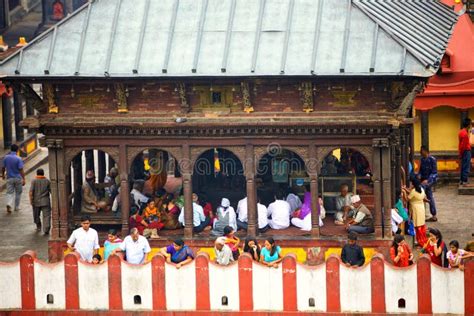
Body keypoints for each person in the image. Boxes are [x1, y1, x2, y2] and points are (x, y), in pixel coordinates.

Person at [403, 177, 427, 247]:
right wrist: (405, 189)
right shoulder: (421, 189)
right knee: (421, 224)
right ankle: (423, 240)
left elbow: (407, 198)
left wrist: (404, 191)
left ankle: (419, 240)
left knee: (417, 225)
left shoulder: (413, 191)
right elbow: (411, 193)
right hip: (421, 208)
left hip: (416, 209)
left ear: (413, 184)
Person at [2, 144, 26, 213]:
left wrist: (3, 175)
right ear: (17, 150)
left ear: (10, 149)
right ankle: (17, 207)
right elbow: (21, 169)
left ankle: (9, 204)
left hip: (9, 178)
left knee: (9, 192)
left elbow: (3, 168)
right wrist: (24, 179)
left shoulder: (6, 157)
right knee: (18, 192)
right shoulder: (18, 158)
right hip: (18, 178)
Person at [418, 146, 438, 222]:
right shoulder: (422, 160)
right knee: (428, 195)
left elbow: (434, 173)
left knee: (423, 191)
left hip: (430, 180)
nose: (420, 152)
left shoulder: (432, 160)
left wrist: (428, 180)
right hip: (423, 179)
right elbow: (420, 171)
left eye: (421, 151)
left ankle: (432, 214)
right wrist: (419, 176)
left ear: (425, 151)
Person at [29, 168, 51, 234]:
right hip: (46, 201)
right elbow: (51, 190)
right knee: (47, 215)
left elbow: (31, 192)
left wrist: (31, 200)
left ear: (37, 173)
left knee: (36, 215)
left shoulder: (34, 181)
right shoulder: (47, 181)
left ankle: (38, 225)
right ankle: (46, 229)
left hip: (36, 202)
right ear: (43, 173)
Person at [458, 118, 472, 185]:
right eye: (470, 124)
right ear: (468, 125)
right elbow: (463, 145)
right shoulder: (465, 134)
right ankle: (465, 180)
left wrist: (460, 152)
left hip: (463, 151)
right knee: (466, 166)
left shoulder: (461, 132)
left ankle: (462, 180)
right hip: (466, 151)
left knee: (463, 166)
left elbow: (461, 144)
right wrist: (462, 152)